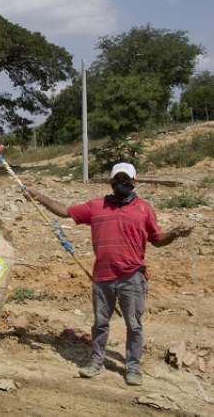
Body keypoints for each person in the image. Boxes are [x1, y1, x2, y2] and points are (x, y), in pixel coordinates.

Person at [27, 163, 193, 386]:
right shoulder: (96, 206)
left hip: (132, 276)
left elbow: (157, 240)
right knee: (100, 323)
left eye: (126, 180)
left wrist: (173, 234)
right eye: (118, 179)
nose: (121, 183)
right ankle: (97, 362)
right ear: (111, 182)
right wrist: (39, 196)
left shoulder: (144, 209)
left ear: (134, 182)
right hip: (102, 277)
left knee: (134, 325)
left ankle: (133, 367)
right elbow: (65, 211)